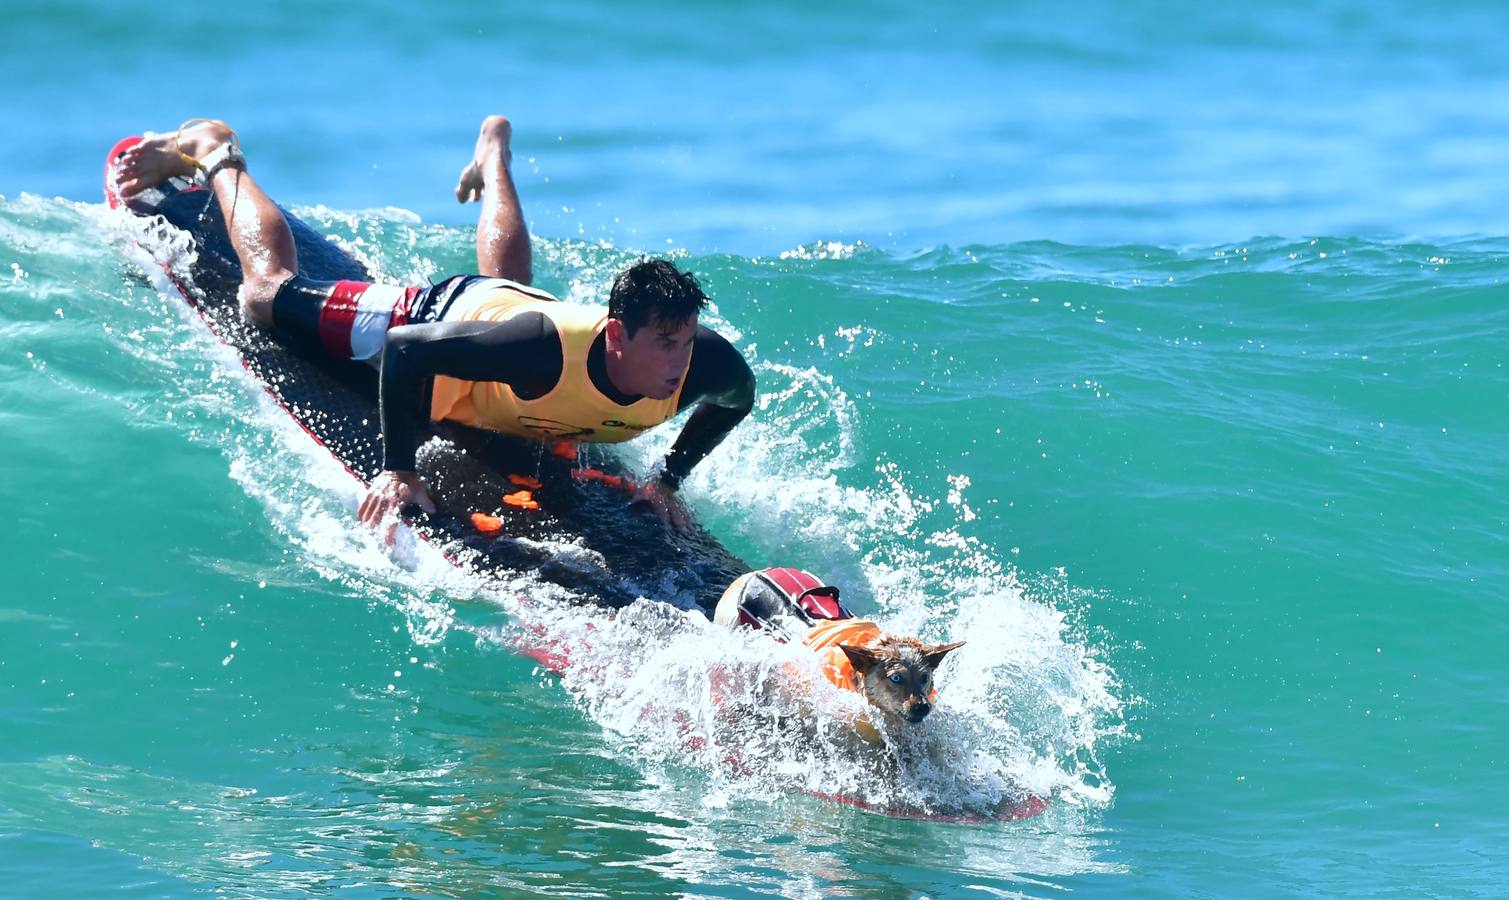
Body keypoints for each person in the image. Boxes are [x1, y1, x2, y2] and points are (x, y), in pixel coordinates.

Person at [113, 116, 755, 531]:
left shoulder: (705, 365)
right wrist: (400, 469)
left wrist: (668, 478)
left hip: (513, 313)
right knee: (266, 295)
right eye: (665, 343)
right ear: (617, 335)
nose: (680, 360)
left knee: (517, 288)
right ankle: (216, 150)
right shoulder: (540, 352)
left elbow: (738, 400)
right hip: (440, 317)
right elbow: (404, 350)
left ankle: (492, 157)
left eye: (686, 338)